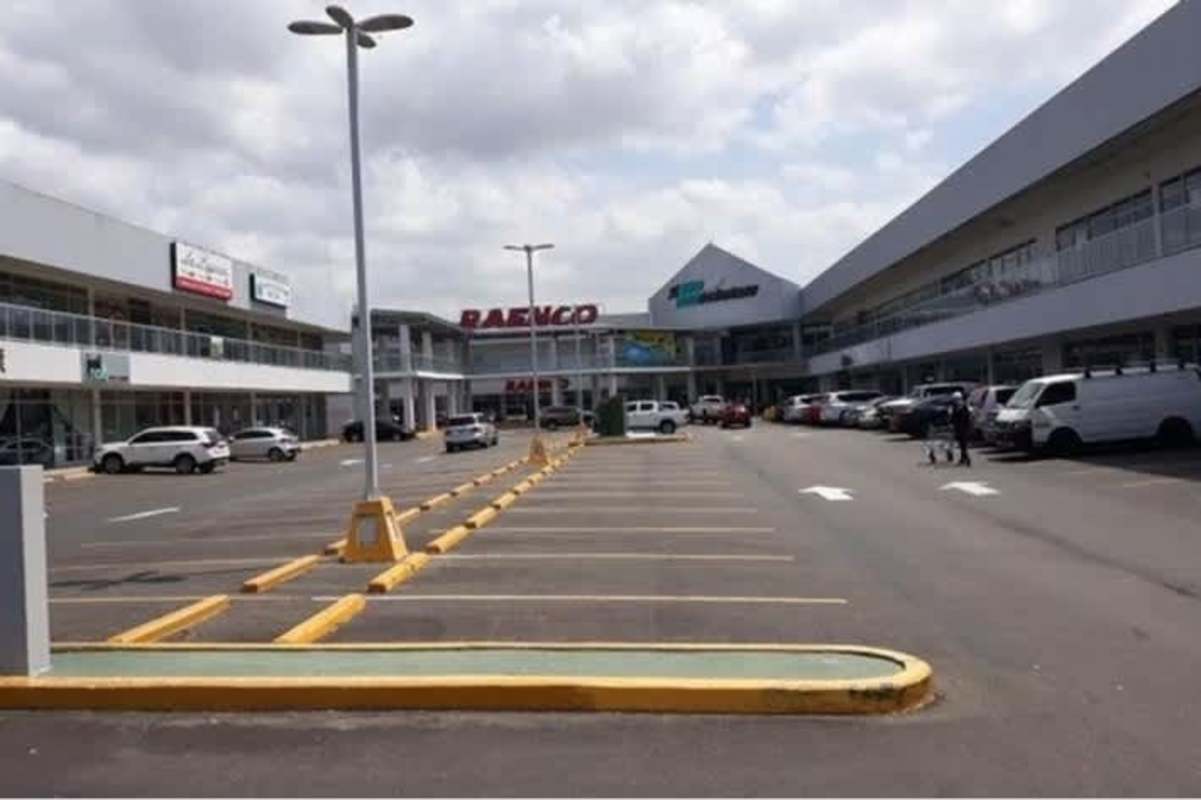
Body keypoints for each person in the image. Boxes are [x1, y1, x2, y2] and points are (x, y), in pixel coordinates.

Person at [950, 392, 972, 467]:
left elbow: (966, 418)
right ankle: (963, 458)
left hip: (964, 428)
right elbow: (953, 418)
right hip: (959, 428)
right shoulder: (955, 407)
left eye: (957, 399)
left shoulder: (963, 407)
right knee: (962, 445)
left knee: (963, 444)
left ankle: (967, 459)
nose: (956, 401)